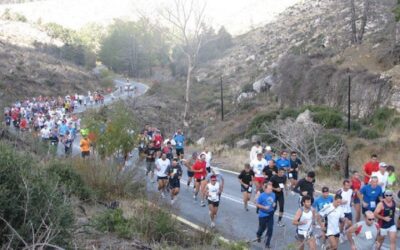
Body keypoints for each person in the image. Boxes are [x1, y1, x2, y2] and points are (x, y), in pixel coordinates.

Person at [256, 182, 276, 249]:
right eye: (269, 189)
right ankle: (258, 234)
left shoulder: (273, 194)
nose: (271, 190)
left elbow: (273, 202)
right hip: (263, 215)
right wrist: (264, 207)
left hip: (270, 214)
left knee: (270, 229)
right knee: (262, 228)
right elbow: (257, 204)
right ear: (265, 189)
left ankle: (267, 244)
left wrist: (274, 204)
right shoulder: (262, 195)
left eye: (271, 189)